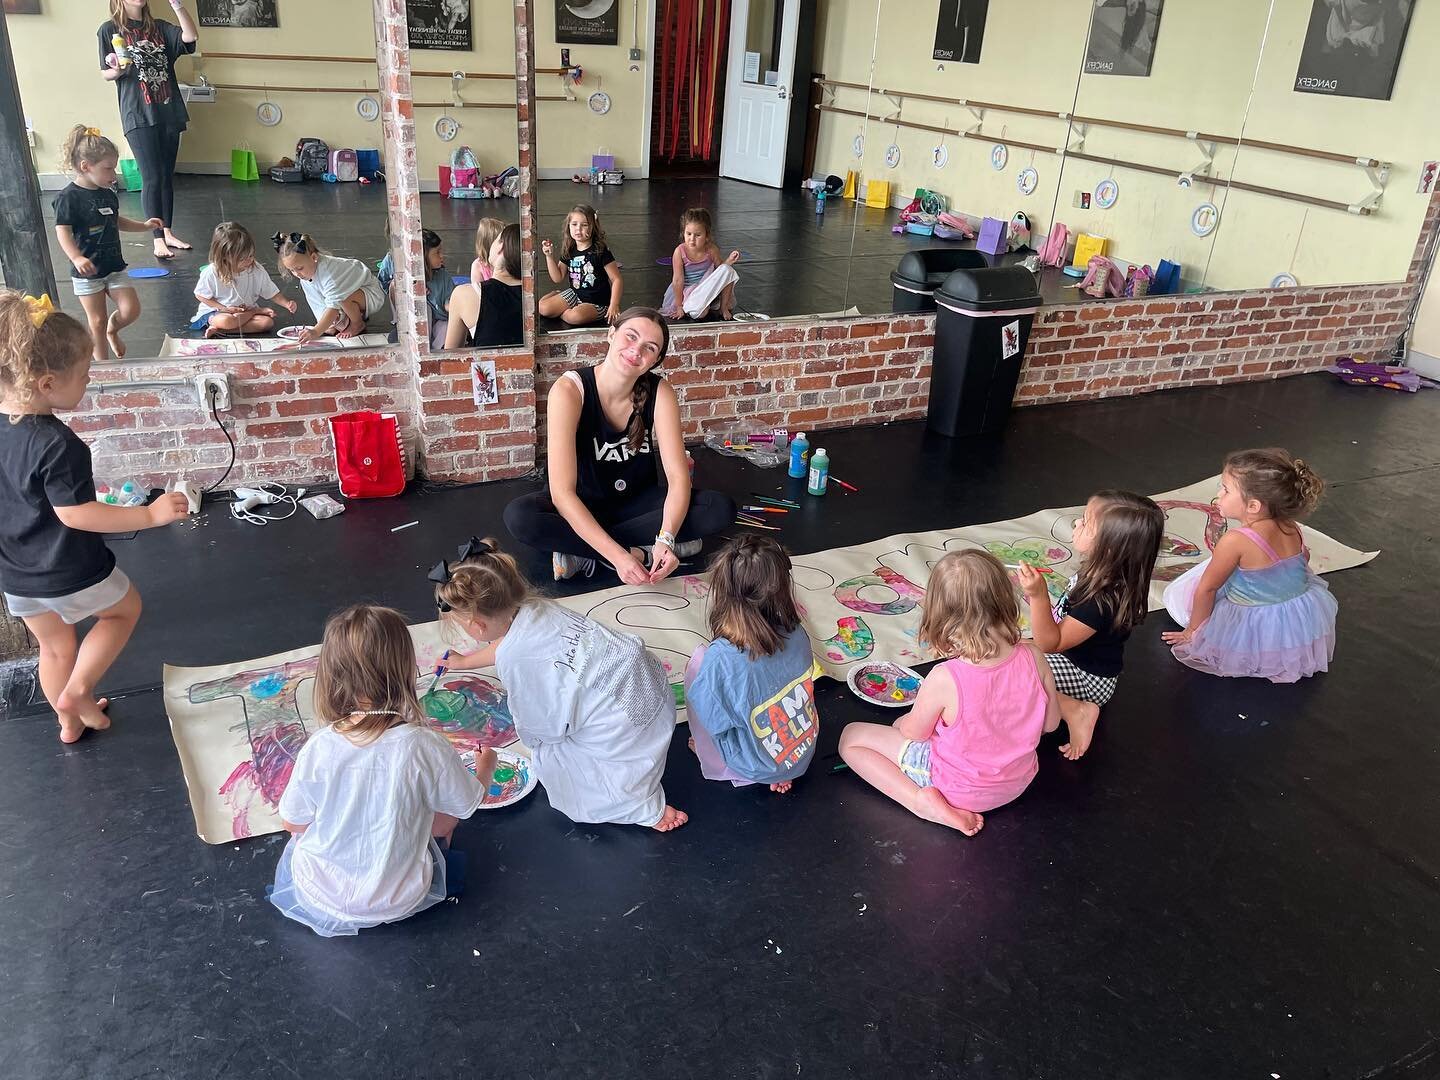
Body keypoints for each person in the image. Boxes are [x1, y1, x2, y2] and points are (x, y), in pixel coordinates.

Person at [0, 292, 187, 744]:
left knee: (55, 646)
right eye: (83, 376)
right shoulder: (58, 444)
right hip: (68, 568)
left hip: (15, 575)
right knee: (123, 611)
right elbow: (77, 514)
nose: (87, 383)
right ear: (46, 383)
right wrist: (149, 513)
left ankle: (68, 721)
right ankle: (77, 693)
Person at [431, 538, 688, 832]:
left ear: (476, 626)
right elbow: (509, 644)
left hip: (627, 733)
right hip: (653, 697)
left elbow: (538, 728)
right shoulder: (537, 609)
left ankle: (644, 810)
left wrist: (535, 738)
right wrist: (464, 663)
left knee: (554, 761)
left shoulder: (516, 659)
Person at [269, 604, 496, 937]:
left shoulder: (320, 746)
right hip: (400, 896)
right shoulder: (424, 744)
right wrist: (485, 767)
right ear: (405, 669)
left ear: (330, 675)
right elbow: (465, 805)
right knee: (446, 819)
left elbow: (293, 823)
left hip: (320, 891)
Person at [503, 307, 736, 583]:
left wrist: (666, 538)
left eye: (649, 347)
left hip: (636, 505)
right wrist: (620, 557)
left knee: (720, 508)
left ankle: (583, 551)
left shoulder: (660, 392)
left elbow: (677, 478)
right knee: (520, 517)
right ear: (611, 334)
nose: (636, 350)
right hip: (582, 505)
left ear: (655, 360)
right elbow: (562, 494)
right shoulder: (569, 391)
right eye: (630, 336)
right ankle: (639, 553)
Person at [838, 551, 1060, 836]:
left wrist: (903, 721)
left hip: (958, 790)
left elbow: (915, 734)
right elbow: (1051, 724)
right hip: (1018, 782)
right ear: (1005, 600)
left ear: (940, 615)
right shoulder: (1033, 655)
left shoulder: (946, 676)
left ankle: (920, 802)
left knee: (851, 738)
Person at [1162, 450, 1338, 682]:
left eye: (1225, 489)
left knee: (1177, 593)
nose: (1218, 494)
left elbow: (1207, 589)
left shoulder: (1235, 540)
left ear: (1253, 505)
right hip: (1297, 621)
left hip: (1252, 624)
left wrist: (1194, 632)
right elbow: (1302, 562)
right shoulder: (1291, 526)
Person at [1018, 490, 1164, 760]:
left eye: (1085, 522)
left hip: (1088, 681)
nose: (1076, 524)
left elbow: (1051, 643)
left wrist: (1038, 596)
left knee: (1013, 670)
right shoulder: (1100, 573)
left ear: (1108, 546)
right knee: (1012, 649)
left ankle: (1075, 709)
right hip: (1071, 659)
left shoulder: (1102, 599)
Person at [684, 535, 819, 793]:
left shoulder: (720, 659)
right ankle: (776, 770)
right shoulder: (798, 632)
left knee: (698, 670)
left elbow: (715, 723)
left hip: (756, 765)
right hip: (800, 752)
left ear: (722, 591)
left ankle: (746, 768)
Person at [98, 0, 198, 262]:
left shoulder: (161, 28)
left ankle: (167, 231)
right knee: (152, 176)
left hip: (168, 109)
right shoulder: (110, 30)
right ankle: (157, 239)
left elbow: (190, 37)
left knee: (166, 176)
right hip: (138, 112)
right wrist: (117, 70)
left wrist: (177, 5)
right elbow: (105, 73)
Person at [52, 125, 162, 363]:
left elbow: (115, 220)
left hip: (113, 265)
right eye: (108, 168)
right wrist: (77, 258)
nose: (114, 174)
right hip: (87, 272)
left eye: (114, 167)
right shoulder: (68, 198)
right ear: (85, 167)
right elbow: (63, 232)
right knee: (97, 321)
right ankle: (103, 365)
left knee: (131, 310)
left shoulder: (108, 193)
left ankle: (114, 330)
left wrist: (143, 226)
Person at [274, 231, 387, 344]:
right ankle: (353, 314)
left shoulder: (330, 273)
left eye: (299, 268)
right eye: (292, 270)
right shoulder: (306, 275)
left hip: (371, 293)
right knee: (331, 325)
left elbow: (334, 304)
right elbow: (316, 301)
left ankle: (357, 324)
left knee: (343, 298)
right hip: (351, 295)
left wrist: (315, 331)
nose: (297, 274)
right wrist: (327, 325)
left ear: (314, 257)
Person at [191, 221, 297, 337]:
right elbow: (200, 295)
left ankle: (222, 329)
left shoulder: (256, 269)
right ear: (225, 256)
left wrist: (287, 303)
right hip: (219, 313)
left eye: (251, 255)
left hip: (245, 313)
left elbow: (271, 291)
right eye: (242, 259)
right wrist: (224, 308)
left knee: (266, 323)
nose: (249, 261)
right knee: (226, 321)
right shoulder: (213, 271)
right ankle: (224, 324)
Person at [538, 204, 622, 327]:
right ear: (569, 226)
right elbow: (557, 278)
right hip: (574, 294)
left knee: (574, 317)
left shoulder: (600, 250)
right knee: (543, 308)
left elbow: (617, 279)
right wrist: (549, 256)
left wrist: (614, 304)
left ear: (592, 227)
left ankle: (565, 309)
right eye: (574, 224)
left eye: (584, 225)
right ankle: (557, 295)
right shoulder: (570, 249)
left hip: (596, 302)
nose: (578, 229)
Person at [445, 223, 522, 350]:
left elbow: (450, 357)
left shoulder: (464, 295)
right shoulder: (532, 295)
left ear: (500, 248)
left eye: (496, 239)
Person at [660, 208, 741, 322]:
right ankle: (693, 307)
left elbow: (721, 271)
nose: (692, 239)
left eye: (697, 235)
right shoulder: (680, 252)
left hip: (706, 288)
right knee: (701, 313)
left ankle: (723, 308)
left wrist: (729, 261)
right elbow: (678, 280)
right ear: (683, 232)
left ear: (707, 235)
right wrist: (679, 306)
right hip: (689, 294)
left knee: (728, 270)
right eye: (688, 234)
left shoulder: (711, 249)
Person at [469, 217, 506, 285]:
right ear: (490, 244)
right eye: (501, 241)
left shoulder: (507, 260)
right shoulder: (478, 266)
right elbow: (478, 292)